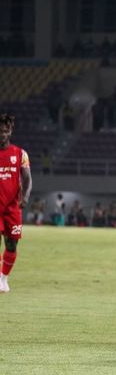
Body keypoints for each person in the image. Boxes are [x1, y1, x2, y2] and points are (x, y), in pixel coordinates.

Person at [0, 114, 32, 293]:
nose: (2, 134)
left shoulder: (20, 154)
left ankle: (4, 279)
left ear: (10, 132)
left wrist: (25, 197)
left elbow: (27, 178)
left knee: (11, 245)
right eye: (0, 131)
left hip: (12, 208)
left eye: (6, 131)